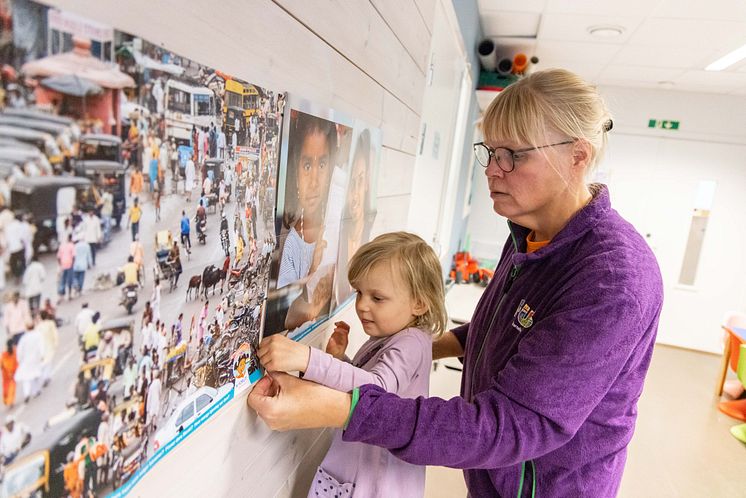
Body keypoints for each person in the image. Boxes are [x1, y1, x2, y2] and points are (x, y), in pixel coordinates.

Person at [248, 69, 664, 497]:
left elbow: (508, 426)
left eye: (514, 156)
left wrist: (336, 408)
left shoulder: (612, 281)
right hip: (493, 478)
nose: (493, 171)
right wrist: (421, 344)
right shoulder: (528, 231)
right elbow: (510, 331)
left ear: (577, 156)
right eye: (491, 152)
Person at [257, 232, 445, 497]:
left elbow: (377, 390)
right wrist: (340, 360)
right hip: (357, 472)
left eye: (377, 298)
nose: (362, 306)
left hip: (373, 483)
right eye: (359, 292)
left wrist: (308, 358)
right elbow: (366, 382)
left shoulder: (411, 343)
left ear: (419, 303)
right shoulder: (392, 333)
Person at [277, 112, 337, 331]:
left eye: (322, 165)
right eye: (307, 165)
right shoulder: (292, 244)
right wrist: (314, 269)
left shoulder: (335, 227)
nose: (314, 182)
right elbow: (287, 319)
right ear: (295, 170)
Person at [15, 323, 44, 403]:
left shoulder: (24, 338)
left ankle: (26, 393)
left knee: (26, 378)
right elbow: (41, 346)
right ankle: (36, 391)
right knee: (35, 375)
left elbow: (19, 350)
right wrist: (42, 355)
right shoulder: (38, 335)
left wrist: (19, 359)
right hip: (35, 358)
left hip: (26, 360)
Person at [56, 235, 75, 303]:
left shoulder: (61, 246)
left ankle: (61, 296)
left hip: (63, 265)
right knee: (70, 280)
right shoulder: (72, 245)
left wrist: (60, 264)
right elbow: (73, 256)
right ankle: (69, 295)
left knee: (62, 281)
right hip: (70, 265)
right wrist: (73, 264)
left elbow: (58, 257)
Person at [1, 340, 17, 407]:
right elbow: (17, 362)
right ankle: (10, 401)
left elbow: (1, 364)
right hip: (12, 373)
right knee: (12, 387)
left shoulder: (4, 354)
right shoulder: (14, 352)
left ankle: (6, 400)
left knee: (5, 387)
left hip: (6, 374)